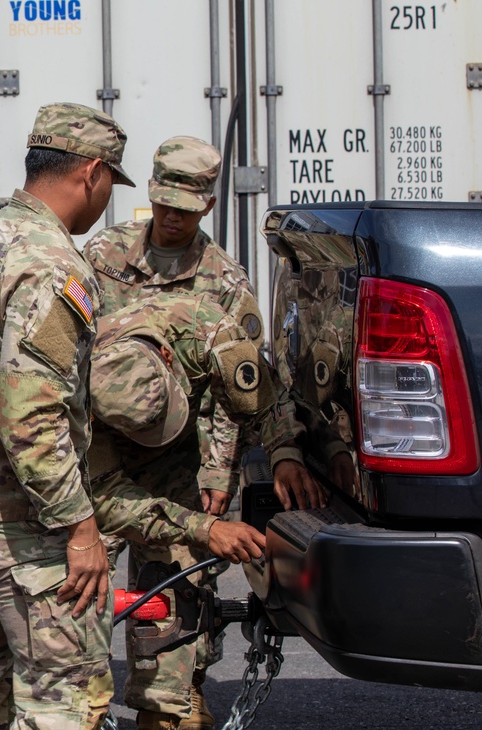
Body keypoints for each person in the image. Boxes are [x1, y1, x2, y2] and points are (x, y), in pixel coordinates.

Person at [83, 137, 320, 730]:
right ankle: (77, 696)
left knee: (176, 584)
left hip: (183, 456)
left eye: (185, 209)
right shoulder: (102, 256)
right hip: (101, 450)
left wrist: (224, 469)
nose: (171, 218)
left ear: (207, 207)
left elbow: (238, 390)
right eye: (164, 203)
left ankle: (172, 699)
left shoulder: (225, 282)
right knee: (77, 581)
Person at [0, 101, 134, 729]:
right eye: (111, 184)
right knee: (64, 698)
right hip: (17, 522)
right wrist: (80, 528)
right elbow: (33, 415)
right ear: (90, 173)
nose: (107, 200)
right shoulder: (52, 261)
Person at [88, 292, 271, 569]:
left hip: (176, 469)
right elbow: (105, 497)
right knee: (84, 586)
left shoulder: (201, 327)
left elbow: (264, 402)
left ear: (167, 356)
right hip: (112, 480)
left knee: (179, 590)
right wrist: (205, 529)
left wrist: (285, 453)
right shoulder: (76, 393)